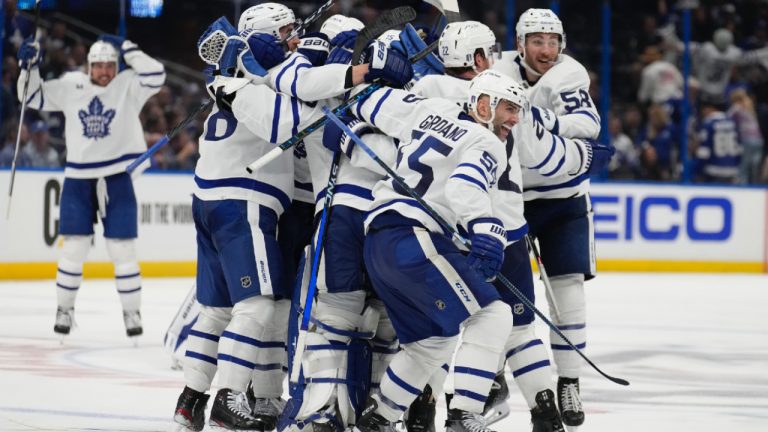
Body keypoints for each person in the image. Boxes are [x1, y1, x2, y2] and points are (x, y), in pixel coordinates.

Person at [172, 7, 413, 431]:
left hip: (213, 197)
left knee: (224, 309)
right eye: (285, 32)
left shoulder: (244, 73)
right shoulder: (262, 78)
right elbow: (295, 119)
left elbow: (285, 84)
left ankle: (193, 402)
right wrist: (354, 78)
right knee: (260, 304)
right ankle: (229, 399)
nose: (294, 39)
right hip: (245, 200)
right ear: (262, 38)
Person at [341, 70, 527, 432]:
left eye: (518, 110)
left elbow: (367, 102)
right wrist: (485, 226)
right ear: (484, 104)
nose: (515, 118)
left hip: (379, 242)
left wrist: (352, 132)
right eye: (508, 107)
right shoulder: (486, 143)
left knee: (433, 343)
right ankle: (464, 415)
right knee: (493, 315)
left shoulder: (430, 109)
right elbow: (463, 185)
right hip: (415, 237)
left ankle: (379, 419)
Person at [492, 8, 603, 429]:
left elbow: (588, 126)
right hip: (509, 199)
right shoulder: (496, 66)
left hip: (563, 199)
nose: (547, 49)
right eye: (537, 40)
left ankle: (569, 380)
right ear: (519, 44)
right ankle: (492, 372)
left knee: (568, 288)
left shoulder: (569, 75)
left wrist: (539, 119)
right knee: (502, 297)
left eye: (553, 40)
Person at [16, 33, 166, 339]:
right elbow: (30, 97)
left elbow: (156, 74)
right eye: (99, 65)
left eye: (110, 65)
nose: (105, 71)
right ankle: (64, 310)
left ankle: (131, 311)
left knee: (122, 249)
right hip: (79, 177)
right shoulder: (72, 85)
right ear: (89, 66)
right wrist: (28, 67)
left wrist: (129, 46)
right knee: (74, 248)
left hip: (117, 176)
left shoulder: (128, 84)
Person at [693, 101, 741, 183]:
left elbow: (704, 152)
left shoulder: (709, 123)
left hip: (714, 169)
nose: (703, 113)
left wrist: (697, 171)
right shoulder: (732, 121)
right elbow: (739, 148)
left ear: (710, 108)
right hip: (732, 169)